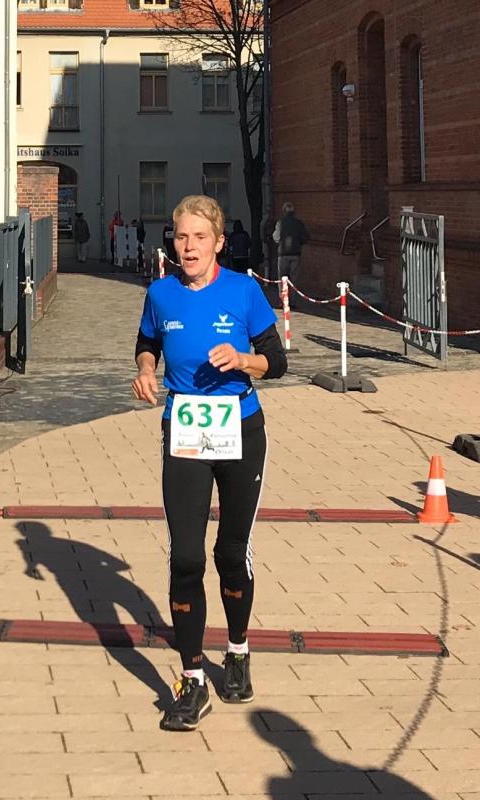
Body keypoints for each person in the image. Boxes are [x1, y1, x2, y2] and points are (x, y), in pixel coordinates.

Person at [131, 195, 287, 732]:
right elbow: (146, 342)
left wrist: (244, 359)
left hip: (240, 428)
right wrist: (146, 370)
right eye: (181, 237)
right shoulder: (161, 293)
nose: (188, 246)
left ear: (219, 242)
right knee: (185, 557)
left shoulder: (244, 290)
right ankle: (193, 678)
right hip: (185, 431)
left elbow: (278, 362)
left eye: (199, 237)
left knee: (230, 551)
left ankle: (238, 649)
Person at [272, 201, 309, 285]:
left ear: (284, 211)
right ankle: (292, 293)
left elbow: (276, 237)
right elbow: (305, 237)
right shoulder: (299, 223)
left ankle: (283, 293)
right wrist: (298, 243)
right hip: (296, 253)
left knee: (282, 279)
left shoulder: (280, 223)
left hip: (283, 254)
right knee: (293, 280)